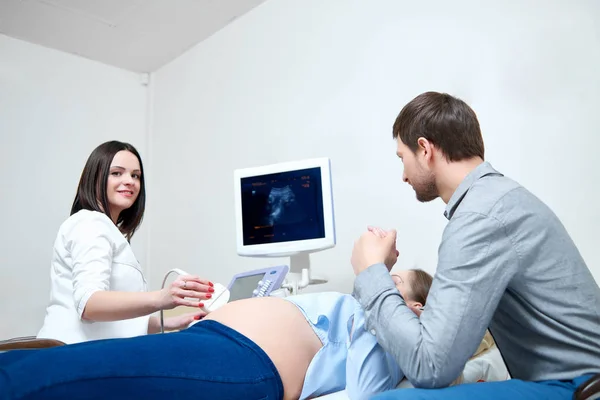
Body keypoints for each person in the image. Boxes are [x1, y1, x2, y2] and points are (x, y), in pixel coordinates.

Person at [349, 91, 600, 399]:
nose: (403, 176)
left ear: (425, 149)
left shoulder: (481, 216)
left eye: (403, 158)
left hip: (581, 386)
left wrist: (371, 273)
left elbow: (430, 366)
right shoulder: (496, 201)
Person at [1, 269, 432, 400]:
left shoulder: (390, 325)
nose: (379, 279)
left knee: (74, 376)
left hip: (244, 361)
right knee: (77, 368)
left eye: (393, 281)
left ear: (415, 309)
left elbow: (367, 393)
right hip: (213, 341)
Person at [36, 140, 213, 344]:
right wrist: (162, 298)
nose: (130, 181)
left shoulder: (107, 230)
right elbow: (90, 305)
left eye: (135, 175)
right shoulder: (90, 223)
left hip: (92, 354)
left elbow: (118, 322)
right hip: (73, 357)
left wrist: (177, 322)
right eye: (117, 173)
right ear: (95, 178)